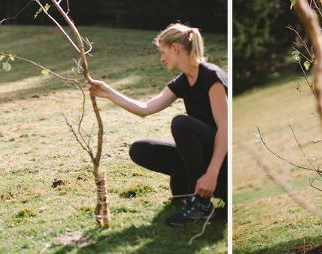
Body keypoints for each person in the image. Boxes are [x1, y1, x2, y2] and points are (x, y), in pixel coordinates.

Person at [86, 23, 228, 225]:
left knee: (181, 123)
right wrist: (108, 92)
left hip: (224, 162)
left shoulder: (211, 76)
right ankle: (191, 191)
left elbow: (225, 128)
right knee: (140, 149)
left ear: (175, 48)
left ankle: (201, 204)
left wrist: (212, 173)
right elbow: (145, 108)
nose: (161, 58)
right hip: (205, 157)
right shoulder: (182, 82)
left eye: (163, 52)